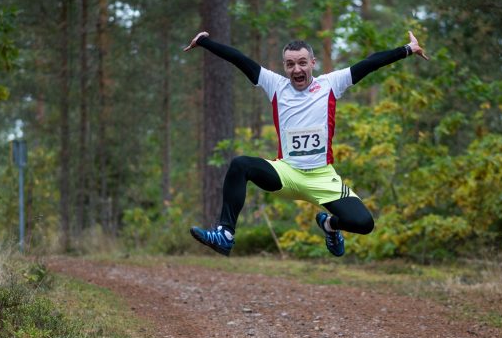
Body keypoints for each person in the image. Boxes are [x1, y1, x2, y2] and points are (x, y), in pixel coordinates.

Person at [184, 30, 429, 257]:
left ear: (313, 63)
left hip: (322, 178)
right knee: (240, 164)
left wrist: (407, 49)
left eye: (302, 62)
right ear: (284, 67)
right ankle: (225, 235)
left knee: (364, 224)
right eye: (290, 64)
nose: (296, 69)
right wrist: (204, 41)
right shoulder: (275, 85)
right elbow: (240, 60)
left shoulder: (330, 84)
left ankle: (329, 225)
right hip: (287, 173)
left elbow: (370, 63)